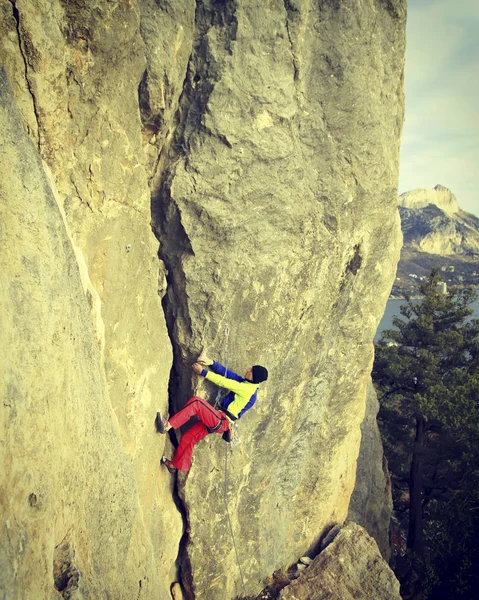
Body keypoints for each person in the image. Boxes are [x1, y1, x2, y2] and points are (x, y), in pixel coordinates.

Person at [157, 351, 268, 474]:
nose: (248, 369)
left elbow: (225, 382)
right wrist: (211, 363)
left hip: (221, 419)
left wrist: (203, 372)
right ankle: (174, 465)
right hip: (220, 423)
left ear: (254, 377)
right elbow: (228, 375)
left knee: (197, 403)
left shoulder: (248, 389)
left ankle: (168, 425)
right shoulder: (248, 384)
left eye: (251, 371)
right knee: (189, 438)